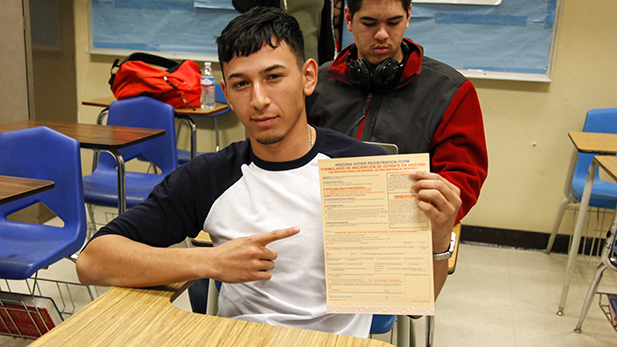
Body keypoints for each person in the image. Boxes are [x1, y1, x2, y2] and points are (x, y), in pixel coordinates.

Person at [76, 6, 454, 338]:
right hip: (241, 338)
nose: (258, 100)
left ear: (308, 77)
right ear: (226, 91)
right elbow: (94, 260)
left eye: (274, 77)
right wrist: (209, 262)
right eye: (242, 84)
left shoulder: (361, 168)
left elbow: (412, 305)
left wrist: (437, 238)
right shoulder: (211, 175)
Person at [306, 0, 488, 225]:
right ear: (349, 18)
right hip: (322, 222)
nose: (382, 34)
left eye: (393, 22)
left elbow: (462, 177)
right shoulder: (316, 85)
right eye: (369, 23)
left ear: (408, 15)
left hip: (407, 227)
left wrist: (434, 212)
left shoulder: (449, 91)